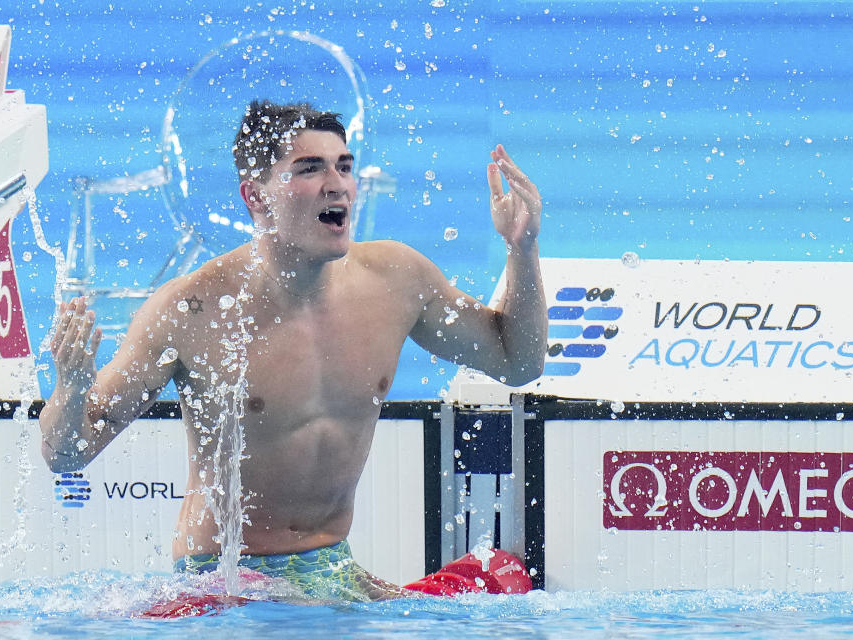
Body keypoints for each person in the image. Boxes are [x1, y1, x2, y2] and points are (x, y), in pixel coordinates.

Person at [39, 100, 547, 602]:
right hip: (225, 583)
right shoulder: (194, 309)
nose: (338, 185)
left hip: (330, 570)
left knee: (501, 574)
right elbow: (67, 453)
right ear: (255, 197)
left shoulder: (396, 279)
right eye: (310, 169)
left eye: (344, 167)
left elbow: (516, 362)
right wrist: (72, 387)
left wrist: (521, 251)